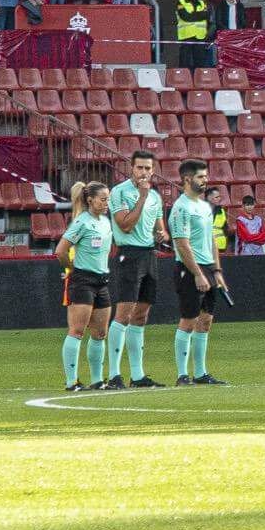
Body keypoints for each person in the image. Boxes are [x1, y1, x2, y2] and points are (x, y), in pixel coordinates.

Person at [102, 150, 168, 388]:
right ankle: (114, 374)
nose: (143, 172)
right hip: (128, 254)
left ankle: (138, 375)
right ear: (131, 168)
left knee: (141, 315)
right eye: (139, 168)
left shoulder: (155, 197)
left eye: (147, 168)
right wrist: (141, 197)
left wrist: (161, 233)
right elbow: (125, 225)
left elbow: (160, 227)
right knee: (124, 313)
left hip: (149, 254)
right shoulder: (120, 192)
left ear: (153, 170)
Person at [167, 158, 225, 384]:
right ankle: (182, 374)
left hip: (208, 267)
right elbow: (182, 243)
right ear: (187, 179)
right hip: (189, 269)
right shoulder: (181, 207)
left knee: (206, 320)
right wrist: (198, 273)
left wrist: (216, 270)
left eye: (205, 176)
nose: (205, 180)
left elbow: (211, 238)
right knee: (189, 319)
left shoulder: (204, 206)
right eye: (201, 177)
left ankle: (200, 372)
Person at [58, 182, 116, 393]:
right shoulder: (82, 222)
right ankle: (71, 381)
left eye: (108, 199)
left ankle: (97, 380)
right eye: (103, 199)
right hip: (82, 280)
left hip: (102, 281)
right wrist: (69, 269)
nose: (106, 203)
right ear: (90, 200)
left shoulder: (105, 221)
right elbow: (61, 250)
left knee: (100, 332)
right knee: (77, 330)